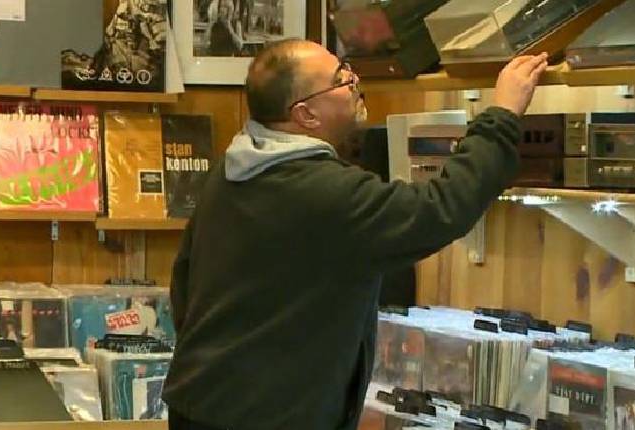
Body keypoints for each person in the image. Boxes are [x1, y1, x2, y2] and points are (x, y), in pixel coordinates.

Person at [162, 39, 548, 430]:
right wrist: (501, 114)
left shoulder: (230, 171)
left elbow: (184, 287)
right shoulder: (326, 193)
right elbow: (441, 208)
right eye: (340, 79)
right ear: (306, 114)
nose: (354, 80)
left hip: (198, 404)